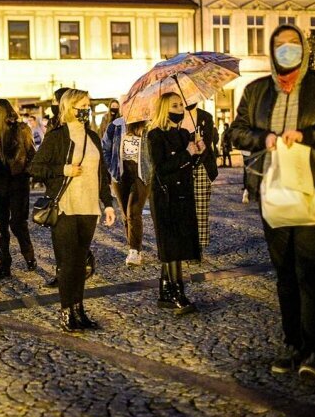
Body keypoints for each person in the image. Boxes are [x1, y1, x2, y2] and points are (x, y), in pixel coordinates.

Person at [230, 23, 315, 380]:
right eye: (281, 45)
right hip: (272, 186)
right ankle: (293, 344)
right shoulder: (256, 91)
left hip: (314, 185)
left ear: (304, 47)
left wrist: (309, 135)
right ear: (272, 51)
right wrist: (264, 138)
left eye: (294, 43)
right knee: (284, 270)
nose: (288, 49)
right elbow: (235, 131)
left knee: (309, 268)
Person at [30, 89, 115, 331]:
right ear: (69, 107)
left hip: (89, 207)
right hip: (65, 207)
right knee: (67, 264)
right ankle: (67, 313)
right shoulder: (57, 136)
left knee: (81, 264)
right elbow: (35, 167)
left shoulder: (92, 137)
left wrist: (107, 203)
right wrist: (63, 169)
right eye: (82, 105)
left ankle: (79, 311)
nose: (86, 109)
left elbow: (101, 175)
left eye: (88, 105)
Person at [147, 93, 203, 316]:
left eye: (181, 104)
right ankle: (177, 292)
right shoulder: (155, 135)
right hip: (165, 195)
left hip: (183, 194)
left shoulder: (183, 134)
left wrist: (198, 151)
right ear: (164, 109)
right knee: (171, 246)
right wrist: (187, 153)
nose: (180, 108)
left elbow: (189, 164)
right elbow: (161, 167)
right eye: (174, 105)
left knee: (179, 242)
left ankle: (164, 292)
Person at [0, 98, 37, 279]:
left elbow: (31, 154)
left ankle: (28, 254)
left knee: (17, 223)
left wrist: (24, 171)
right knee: (0, 225)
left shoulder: (21, 129)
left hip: (17, 181)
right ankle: (4, 262)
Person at [103, 114, 150, 267]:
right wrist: (111, 168)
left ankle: (134, 251)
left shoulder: (148, 125)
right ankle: (134, 247)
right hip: (120, 172)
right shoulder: (115, 125)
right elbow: (106, 148)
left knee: (133, 211)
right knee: (125, 214)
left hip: (141, 173)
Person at [179, 97, 218, 254]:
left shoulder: (205, 117)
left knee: (201, 209)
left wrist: (201, 146)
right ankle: (186, 244)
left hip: (202, 165)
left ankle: (198, 247)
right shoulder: (177, 117)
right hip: (182, 167)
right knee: (184, 208)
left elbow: (208, 144)